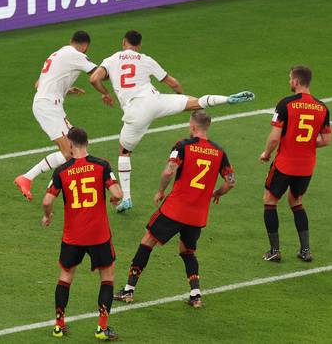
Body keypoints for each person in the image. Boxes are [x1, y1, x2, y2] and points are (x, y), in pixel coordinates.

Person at [89, 30, 252, 213]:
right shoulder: (145, 59)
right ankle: (226, 99)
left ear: (123, 43)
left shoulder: (111, 59)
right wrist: (180, 101)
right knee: (194, 102)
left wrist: (105, 93)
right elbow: (173, 83)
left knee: (124, 151)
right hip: (156, 101)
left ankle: (126, 199)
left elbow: (94, 78)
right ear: (139, 45)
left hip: (135, 111)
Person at [113, 111, 235, 308]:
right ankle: (196, 295)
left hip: (175, 209)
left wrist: (161, 190)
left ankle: (128, 290)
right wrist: (218, 193)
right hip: (198, 215)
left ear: (194, 126)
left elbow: (170, 170)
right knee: (187, 250)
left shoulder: (183, 145)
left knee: (147, 241)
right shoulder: (219, 152)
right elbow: (231, 182)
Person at [41, 127, 123, 340]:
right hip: (98, 235)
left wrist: (47, 216)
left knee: (66, 275)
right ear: (87, 142)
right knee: (107, 276)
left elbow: (47, 200)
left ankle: (59, 325)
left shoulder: (61, 171)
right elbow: (117, 193)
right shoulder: (102, 165)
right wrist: (114, 199)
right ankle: (102, 328)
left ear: (70, 143)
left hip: (73, 236)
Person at [14, 30, 97, 201]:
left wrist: (65, 89)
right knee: (70, 152)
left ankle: (27, 178)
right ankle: (40, 186)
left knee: (75, 149)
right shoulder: (76, 54)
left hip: (49, 104)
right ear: (85, 46)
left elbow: (38, 84)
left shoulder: (58, 53)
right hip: (48, 107)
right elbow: (97, 73)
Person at [259, 65, 330, 262]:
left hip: (284, 164)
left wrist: (266, 153)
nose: (290, 82)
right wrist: (306, 143)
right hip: (306, 167)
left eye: (290, 79)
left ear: (297, 82)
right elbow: (325, 140)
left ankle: (274, 251)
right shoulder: (322, 108)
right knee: (296, 202)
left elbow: (274, 138)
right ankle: (305, 250)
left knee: (270, 201)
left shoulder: (285, 104)